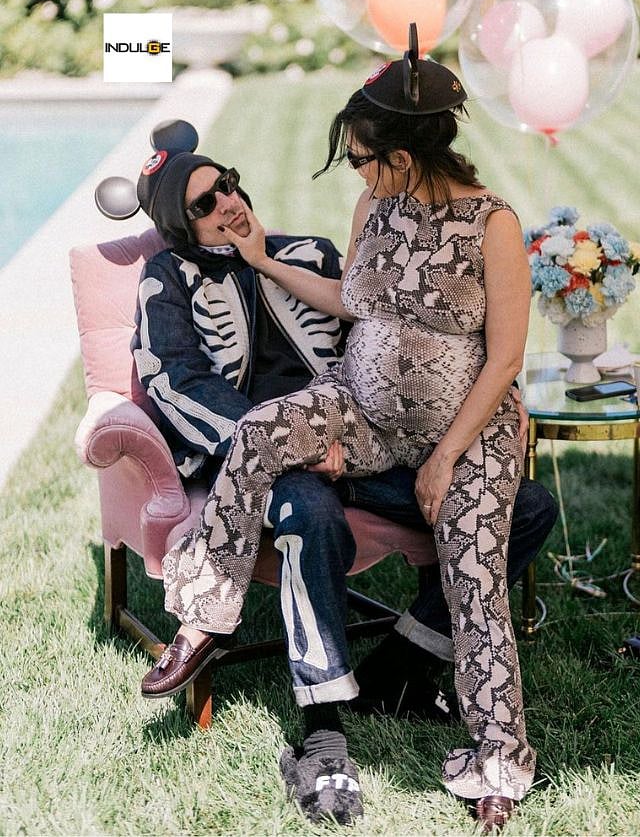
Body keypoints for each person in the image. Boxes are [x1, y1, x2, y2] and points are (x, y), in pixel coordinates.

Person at [96, 93, 556, 826]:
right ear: (182, 225)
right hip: (341, 429)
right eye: (206, 202)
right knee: (280, 466)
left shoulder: (468, 225)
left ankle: (447, 710)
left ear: (400, 158)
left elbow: (484, 353)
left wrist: (438, 455)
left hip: (428, 438)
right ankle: (227, 638)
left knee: (507, 531)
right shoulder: (177, 276)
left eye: (229, 184)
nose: (230, 202)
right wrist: (308, 446)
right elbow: (188, 377)